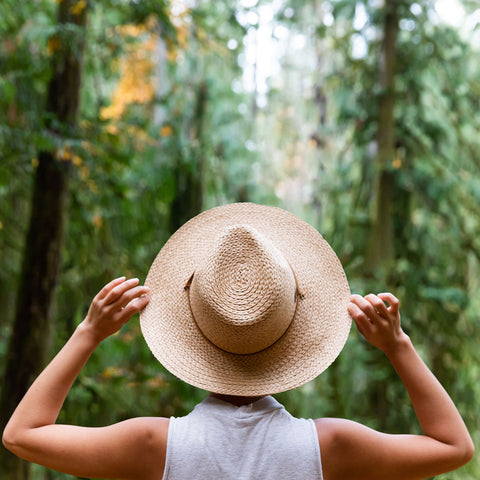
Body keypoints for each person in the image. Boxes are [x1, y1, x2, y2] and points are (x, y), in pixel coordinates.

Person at [3, 203, 474, 480]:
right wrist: (398, 347)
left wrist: (88, 333)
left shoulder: (152, 445)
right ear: (293, 331)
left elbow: (22, 435)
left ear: (194, 331)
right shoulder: (329, 446)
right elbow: (453, 447)